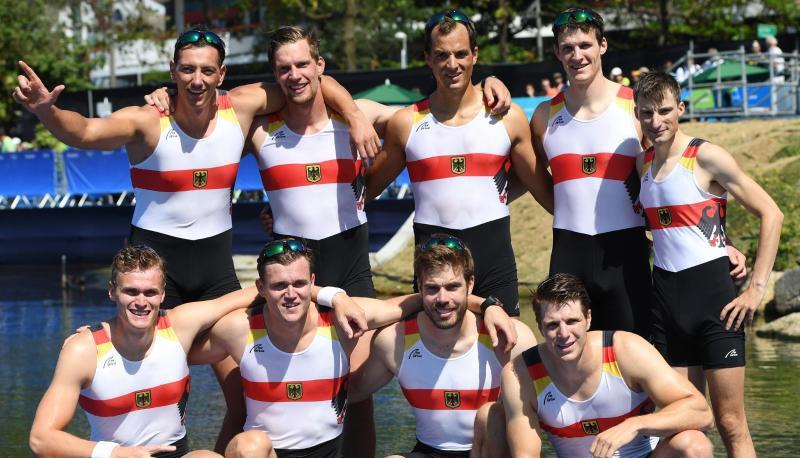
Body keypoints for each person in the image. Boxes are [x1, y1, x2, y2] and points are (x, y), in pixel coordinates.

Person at [14, 27, 379, 450]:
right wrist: (47, 111)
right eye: (187, 70)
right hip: (153, 277)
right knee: (148, 396)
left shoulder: (241, 108)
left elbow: (315, 81)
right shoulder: (148, 121)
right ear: (173, 71)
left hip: (216, 276)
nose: (196, 80)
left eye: (207, 70)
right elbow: (86, 132)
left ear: (222, 74)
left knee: (244, 396)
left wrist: (352, 114)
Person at [185, 237, 516, 458]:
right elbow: (175, 345)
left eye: (300, 284)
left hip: (329, 452)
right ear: (261, 287)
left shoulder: (343, 319)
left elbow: (427, 301)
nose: (291, 294)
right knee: (246, 446)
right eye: (278, 286)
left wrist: (488, 305)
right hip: (265, 452)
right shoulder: (238, 328)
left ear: (313, 283)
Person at [530, 7, 745, 337]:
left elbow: (675, 181)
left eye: (585, 45)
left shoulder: (636, 107)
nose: (577, 56)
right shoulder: (545, 116)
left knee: (634, 359)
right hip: (568, 250)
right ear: (557, 52)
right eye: (568, 48)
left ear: (602, 45)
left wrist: (722, 240)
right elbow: (538, 182)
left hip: (625, 252)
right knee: (568, 362)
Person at [365, 9, 552, 318]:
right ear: (428, 58)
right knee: (432, 362)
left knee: (504, 361)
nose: (452, 65)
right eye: (441, 55)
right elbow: (362, 192)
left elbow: (548, 194)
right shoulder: (406, 122)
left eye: (460, 54)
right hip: (434, 270)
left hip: (494, 265)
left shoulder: (508, 117)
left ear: (475, 55)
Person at [634, 71, 783, 457]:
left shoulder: (706, 156)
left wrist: (756, 289)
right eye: (647, 113)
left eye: (665, 111)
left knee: (731, 422)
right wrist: (728, 243)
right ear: (638, 114)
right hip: (666, 301)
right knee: (681, 423)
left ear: (681, 108)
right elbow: (684, 227)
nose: (657, 122)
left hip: (714, 301)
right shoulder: (642, 163)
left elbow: (772, 213)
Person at [27, 245, 258, 458]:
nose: (141, 302)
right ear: (112, 291)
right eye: (131, 291)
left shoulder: (180, 325)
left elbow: (251, 294)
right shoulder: (83, 350)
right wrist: (117, 454)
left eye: (150, 292)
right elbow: (41, 438)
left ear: (163, 294)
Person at [348, 235, 536, 458]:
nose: (442, 298)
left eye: (453, 286)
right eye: (432, 288)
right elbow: (350, 394)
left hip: (489, 450)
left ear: (470, 285)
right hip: (429, 452)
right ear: (419, 287)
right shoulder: (393, 341)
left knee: (490, 416)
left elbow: (548, 408)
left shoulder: (511, 337)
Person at [502, 273, 715, 458]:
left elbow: (702, 414)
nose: (564, 334)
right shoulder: (520, 375)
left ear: (588, 318)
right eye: (552, 325)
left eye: (572, 321)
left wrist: (634, 425)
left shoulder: (626, 350)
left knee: (695, 444)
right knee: (490, 417)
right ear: (539, 326)